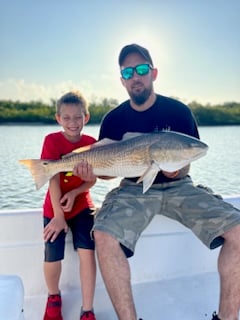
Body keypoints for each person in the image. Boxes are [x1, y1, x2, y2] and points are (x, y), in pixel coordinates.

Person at [73, 44, 240, 320]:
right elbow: (106, 171)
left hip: (180, 187)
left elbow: (189, 154)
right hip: (133, 189)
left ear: (153, 73)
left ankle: (227, 318)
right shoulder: (113, 119)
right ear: (122, 79)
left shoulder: (179, 112)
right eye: (128, 71)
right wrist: (92, 174)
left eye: (141, 69)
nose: (135, 76)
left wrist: (178, 169)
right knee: (103, 234)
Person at [41, 91, 97, 320]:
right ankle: (53, 297)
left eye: (78, 117)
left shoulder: (92, 144)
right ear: (58, 119)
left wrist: (75, 193)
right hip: (54, 207)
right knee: (52, 253)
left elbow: (92, 179)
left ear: (86, 117)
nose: (73, 123)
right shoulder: (52, 141)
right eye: (67, 118)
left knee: (87, 253)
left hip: (82, 205)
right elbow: (52, 177)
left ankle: (87, 309)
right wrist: (58, 215)